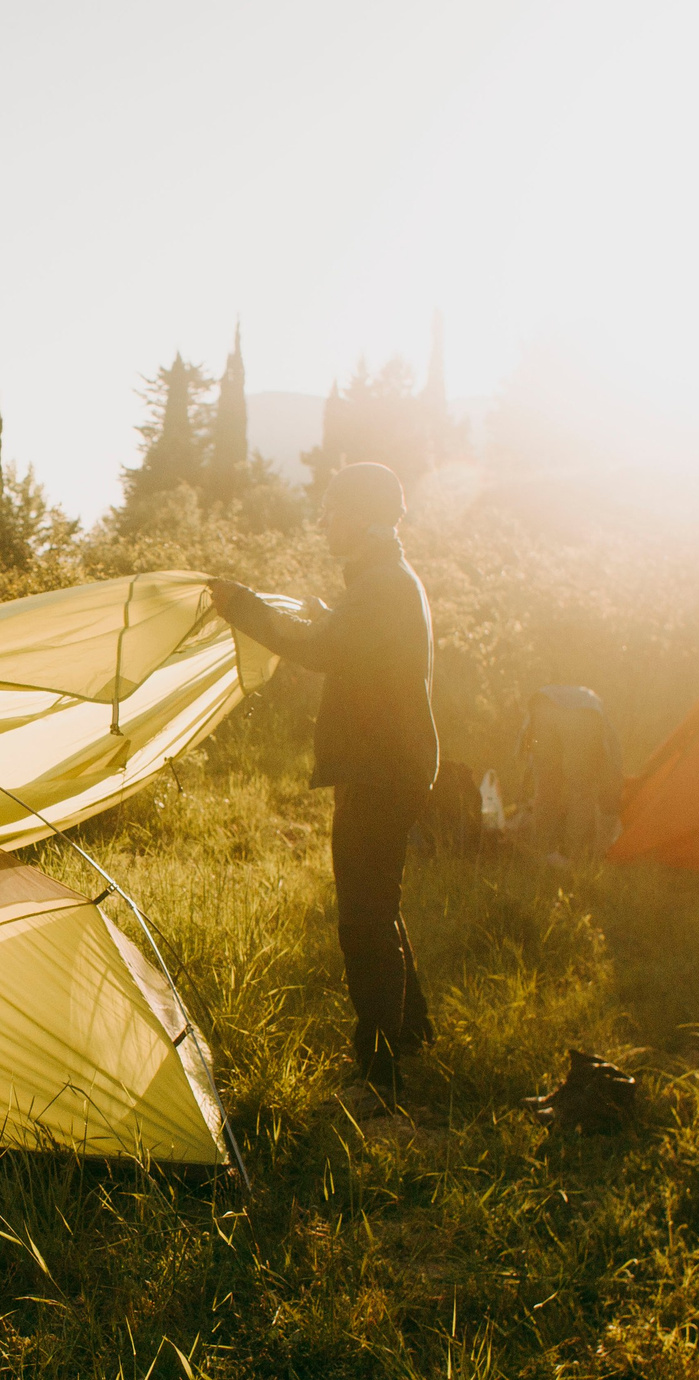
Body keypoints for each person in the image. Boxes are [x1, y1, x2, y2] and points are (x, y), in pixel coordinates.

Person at [210, 462, 439, 1102]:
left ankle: (380, 1075)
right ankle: (412, 1034)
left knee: (362, 918)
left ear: (364, 519)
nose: (323, 520)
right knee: (379, 903)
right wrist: (317, 614)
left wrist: (242, 607)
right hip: (390, 765)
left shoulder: (383, 586)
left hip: (382, 770)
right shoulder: (382, 580)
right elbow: (345, 641)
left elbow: (319, 651)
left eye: (332, 508)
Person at [515, 685, 623, 862]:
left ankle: (541, 849)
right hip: (582, 716)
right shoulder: (599, 714)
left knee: (545, 787)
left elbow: (530, 757)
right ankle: (574, 855)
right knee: (581, 790)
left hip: (542, 707)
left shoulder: (559, 694)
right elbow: (613, 764)